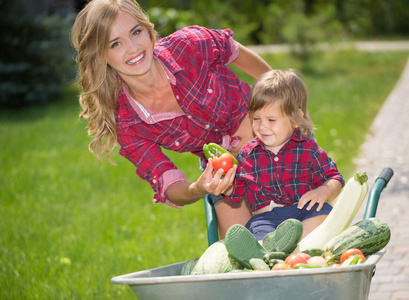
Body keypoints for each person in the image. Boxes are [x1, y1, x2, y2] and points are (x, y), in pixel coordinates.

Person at [71, 0, 272, 238]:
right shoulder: (127, 122)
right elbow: (168, 185)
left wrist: (282, 100)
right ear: (99, 56)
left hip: (268, 134)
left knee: (288, 217)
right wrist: (199, 187)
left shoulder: (187, 46)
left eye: (136, 32)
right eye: (115, 44)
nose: (133, 48)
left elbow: (234, 51)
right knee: (241, 245)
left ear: (147, 29)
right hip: (221, 172)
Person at [223, 69, 344, 262]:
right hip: (266, 219)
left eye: (271, 120)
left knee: (326, 215)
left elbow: (335, 178)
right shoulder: (248, 153)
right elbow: (237, 192)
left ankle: (285, 250)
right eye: (256, 119)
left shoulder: (307, 148)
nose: (262, 126)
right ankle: (272, 250)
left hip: (303, 211)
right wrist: (226, 185)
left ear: (296, 118)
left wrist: (324, 192)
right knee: (254, 234)